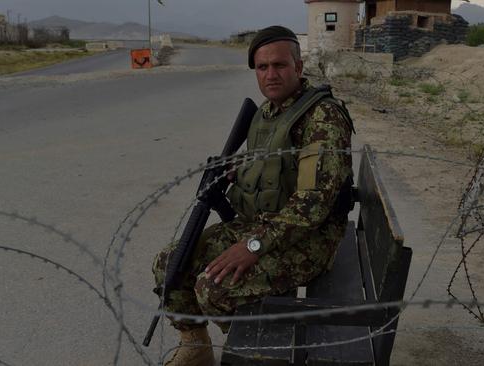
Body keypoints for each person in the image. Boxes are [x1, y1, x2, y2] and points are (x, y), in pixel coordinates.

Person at [152, 25, 354, 366]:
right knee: (170, 263)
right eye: (262, 68)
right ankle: (196, 347)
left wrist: (252, 246)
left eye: (279, 65)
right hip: (261, 227)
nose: (271, 75)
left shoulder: (323, 117)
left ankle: (259, 352)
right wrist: (234, 172)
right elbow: (267, 168)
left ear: (299, 67)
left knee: (214, 288)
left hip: (309, 241)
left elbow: (311, 205)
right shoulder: (268, 113)